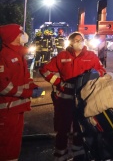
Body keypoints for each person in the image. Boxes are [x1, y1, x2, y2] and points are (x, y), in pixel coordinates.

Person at [40, 31, 106, 161]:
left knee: (80, 127)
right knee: (62, 128)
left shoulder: (91, 56)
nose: (79, 42)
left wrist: (94, 76)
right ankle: (60, 154)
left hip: (83, 99)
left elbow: (102, 71)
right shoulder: (62, 56)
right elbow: (44, 70)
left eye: (81, 39)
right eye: (76, 40)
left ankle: (79, 153)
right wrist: (58, 83)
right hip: (64, 99)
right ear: (70, 42)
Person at [0, 24, 43, 161]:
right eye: (20, 33)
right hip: (7, 110)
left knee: (14, 145)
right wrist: (28, 93)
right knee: (6, 145)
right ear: (12, 37)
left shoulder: (18, 55)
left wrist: (33, 86)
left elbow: (25, 78)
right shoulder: (4, 56)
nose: (23, 35)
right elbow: (3, 87)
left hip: (17, 108)